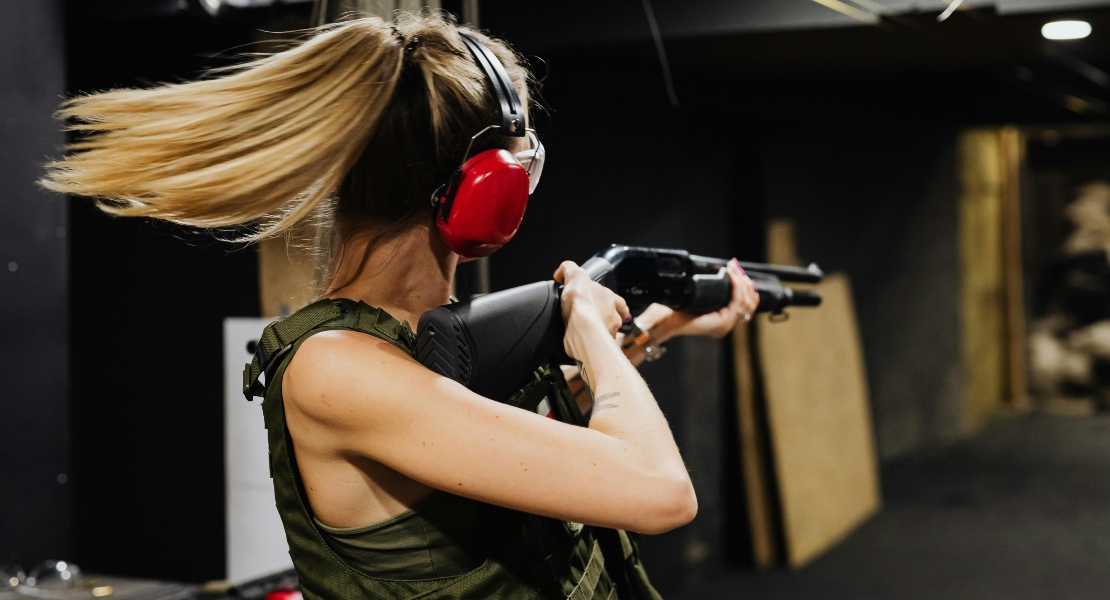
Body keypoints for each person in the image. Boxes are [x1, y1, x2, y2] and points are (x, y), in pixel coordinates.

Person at [42, 12, 759, 599]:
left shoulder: (411, 343)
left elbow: (504, 449)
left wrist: (655, 328)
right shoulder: (336, 368)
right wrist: (589, 330)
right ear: (490, 190)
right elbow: (661, 492)